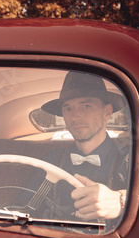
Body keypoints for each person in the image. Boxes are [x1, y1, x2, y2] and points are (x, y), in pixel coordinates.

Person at [28, 72, 130, 223]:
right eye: (68, 109)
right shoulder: (51, 160)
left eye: (85, 106)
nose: (75, 116)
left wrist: (121, 201)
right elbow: (23, 207)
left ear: (107, 112)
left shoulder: (129, 159)